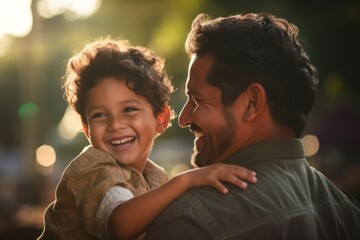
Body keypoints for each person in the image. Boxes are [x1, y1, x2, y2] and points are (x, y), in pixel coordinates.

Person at [145, 12, 360, 239]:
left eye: (198, 100)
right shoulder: (346, 210)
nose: (184, 118)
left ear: (252, 103)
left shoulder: (192, 220)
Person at [38, 37, 257, 240]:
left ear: (160, 119)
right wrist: (187, 180)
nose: (115, 125)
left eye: (129, 109)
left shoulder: (155, 177)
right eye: (99, 115)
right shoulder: (92, 169)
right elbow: (120, 224)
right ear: (87, 130)